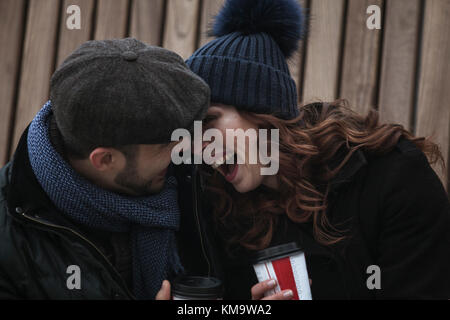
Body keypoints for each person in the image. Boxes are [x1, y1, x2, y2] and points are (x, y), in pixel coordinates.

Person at [186, 0, 450, 299]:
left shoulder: (393, 178)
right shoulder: (223, 208)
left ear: (261, 110)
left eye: (209, 119)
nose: (199, 145)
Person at [0, 38, 216, 299]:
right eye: (165, 144)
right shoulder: (9, 246)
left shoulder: (190, 180)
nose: (184, 150)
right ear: (104, 160)